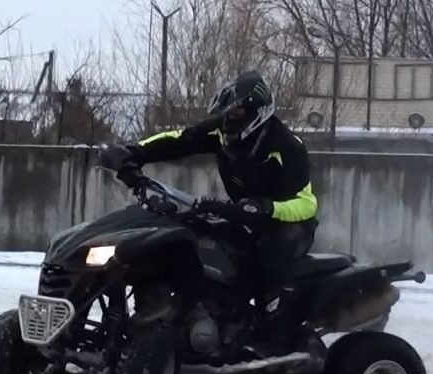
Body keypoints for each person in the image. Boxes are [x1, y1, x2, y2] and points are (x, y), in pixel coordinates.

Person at [118, 70, 318, 358]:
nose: (230, 116)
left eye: (237, 110)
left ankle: (276, 333)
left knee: (272, 250)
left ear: (257, 112)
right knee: (198, 236)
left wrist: (267, 207)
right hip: (243, 215)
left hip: (287, 223)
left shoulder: (286, 145)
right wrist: (134, 153)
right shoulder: (222, 132)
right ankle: (200, 311)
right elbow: (179, 138)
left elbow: (306, 203)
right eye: (227, 110)